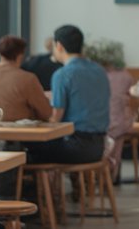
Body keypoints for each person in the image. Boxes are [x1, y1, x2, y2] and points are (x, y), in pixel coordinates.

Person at [22, 25, 109, 166]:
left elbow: (56, 119)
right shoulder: (100, 71)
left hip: (74, 148)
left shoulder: (62, 75)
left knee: (24, 148)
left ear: (59, 46)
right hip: (99, 147)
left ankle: (31, 188)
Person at [83, 38, 134, 181]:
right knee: (116, 143)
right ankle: (112, 173)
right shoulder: (125, 76)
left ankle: (91, 178)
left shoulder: (91, 74)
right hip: (119, 123)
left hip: (96, 123)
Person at [0, 35, 53, 124]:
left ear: (0, 53)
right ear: (20, 55)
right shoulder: (27, 79)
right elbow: (46, 113)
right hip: (21, 134)